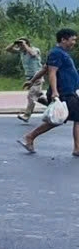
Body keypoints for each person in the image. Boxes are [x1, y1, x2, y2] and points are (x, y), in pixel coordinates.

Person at [18, 28, 79, 156]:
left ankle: (30, 137)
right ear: (63, 39)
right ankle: (30, 136)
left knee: (61, 118)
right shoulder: (57, 53)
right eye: (72, 39)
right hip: (64, 92)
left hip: (68, 91)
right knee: (59, 118)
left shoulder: (60, 53)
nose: (74, 42)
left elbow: (45, 68)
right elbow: (52, 73)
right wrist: (55, 92)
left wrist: (32, 81)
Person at [7, 38, 45, 123]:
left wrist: (25, 45)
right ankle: (54, 106)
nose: (20, 47)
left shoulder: (35, 50)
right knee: (38, 97)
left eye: (21, 45)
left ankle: (26, 115)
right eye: (19, 45)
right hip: (29, 78)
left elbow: (33, 54)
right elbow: (8, 49)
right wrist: (14, 42)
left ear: (27, 44)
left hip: (37, 77)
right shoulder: (22, 52)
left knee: (31, 96)